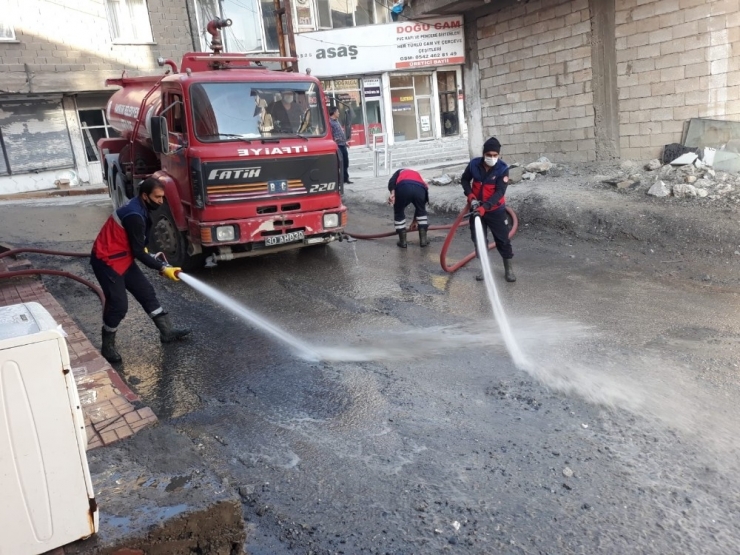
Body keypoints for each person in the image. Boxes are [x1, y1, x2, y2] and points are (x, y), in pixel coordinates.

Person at [90, 177, 190, 363]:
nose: (161, 201)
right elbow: (138, 252)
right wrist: (162, 267)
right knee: (119, 306)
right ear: (145, 196)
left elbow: (137, 246)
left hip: (123, 256)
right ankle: (107, 346)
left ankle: (167, 332)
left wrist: (153, 258)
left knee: (146, 293)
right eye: (157, 197)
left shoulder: (141, 207)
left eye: (162, 197)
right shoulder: (135, 215)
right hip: (107, 260)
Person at [461, 136, 516, 283]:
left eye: (494, 155)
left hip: (495, 210)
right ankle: (484, 268)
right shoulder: (473, 165)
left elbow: (500, 192)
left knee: (503, 239)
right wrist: (470, 195)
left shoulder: (502, 168)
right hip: (475, 209)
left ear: (498, 155)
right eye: (489, 155)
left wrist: (486, 207)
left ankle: (508, 269)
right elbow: (464, 180)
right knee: (479, 240)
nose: (492, 158)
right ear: (483, 154)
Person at [387, 168, 429, 248]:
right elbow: (425, 190)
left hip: (403, 187)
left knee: (399, 210)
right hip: (420, 189)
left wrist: (392, 193)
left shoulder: (398, 172)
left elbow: (391, 182)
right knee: (421, 210)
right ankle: (423, 241)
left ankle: (403, 242)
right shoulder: (417, 174)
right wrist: (415, 221)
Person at [329, 106, 352, 184]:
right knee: (340, 164)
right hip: (337, 146)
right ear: (334, 112)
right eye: (337, 112)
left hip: (343, 144)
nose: (338, 113)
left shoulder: (337, 121)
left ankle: (346, 178)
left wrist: (345, 142)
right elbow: (330, 134)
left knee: (346, 162)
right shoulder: (330, 123)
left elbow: (341, 133)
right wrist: (334, 140)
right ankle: (340, 180)